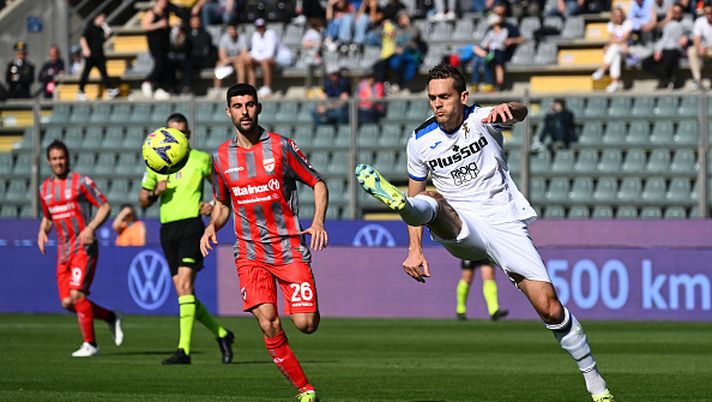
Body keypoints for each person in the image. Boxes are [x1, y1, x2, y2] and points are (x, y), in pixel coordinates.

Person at [354, 64, 614, 402]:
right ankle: (400, 204)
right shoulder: (419, 141)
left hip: (505, 222)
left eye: (444, 97)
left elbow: (518, 113)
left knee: (549, 307)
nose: (437, 104)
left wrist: (512, 108)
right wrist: (414, 249)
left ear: (462, 97)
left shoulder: (483, 118)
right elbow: (419, 189)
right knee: (428, 200)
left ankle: (595, 382)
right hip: (460, 223)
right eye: (432, 98)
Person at [200, 83, 328, 402]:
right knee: (269, 322)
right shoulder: (220, 158)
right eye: (238, 106)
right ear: (228, 111)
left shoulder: (281, 147)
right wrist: (211, 226)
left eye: (250, 105)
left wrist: (318, 221)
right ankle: (304, 388)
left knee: (306, 323)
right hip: (249, 253)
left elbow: (318, 182)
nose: (244, 111)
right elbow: (223, 203)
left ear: (259, 108)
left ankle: (302, 312)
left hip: (289, 250)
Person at [139, 113, 234, 365]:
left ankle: (184, 351)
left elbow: (222, 190)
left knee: (184, 287)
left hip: (192, 226)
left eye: (182, 133)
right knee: (184, 291)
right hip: (167, 228)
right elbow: (143, 198)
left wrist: (212, 205)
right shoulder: (155, 162)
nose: (177, 137)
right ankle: (223, 334)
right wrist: (153, 194)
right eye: (172, 133)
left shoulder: (201, 158)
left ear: (188, 135)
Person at [37, 140, 123, 357]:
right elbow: (48, 217)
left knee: (77, 295)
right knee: (67, 302)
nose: (59, 162)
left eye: (62, 158)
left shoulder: (80, 182)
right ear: (49, 161)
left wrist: (91, 227)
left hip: (83, 247)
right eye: (54, 159)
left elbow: (105, 206)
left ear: (68, 159)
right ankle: (110, 317)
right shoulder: (44, 189)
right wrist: (42, 232)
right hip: (63, 251)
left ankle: (91, 344)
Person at [641, 3, 691, 89]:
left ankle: (666, 81)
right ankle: (666, 79)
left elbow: (695, 34)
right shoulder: (668, 23)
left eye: (678, 12)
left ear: (682, 12)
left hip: (676, 49)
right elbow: (664, 39)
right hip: (664, 49)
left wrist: (687, 38)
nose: (676, 13)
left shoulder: (687, 22)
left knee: (666, 63)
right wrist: (658, 51)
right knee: (645, 63)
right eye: (674, 11)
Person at [78, 13, 119, 100]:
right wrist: (85, 49)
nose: (103, 20)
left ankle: (110, 89)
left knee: (104, 74)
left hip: (99, 56)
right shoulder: (90, 27)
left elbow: (102, 40)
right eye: (101, 18)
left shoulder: (101, 29)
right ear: (96, 18)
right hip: (91, 57)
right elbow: (82, 38)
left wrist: (107, 33)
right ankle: (80, 91)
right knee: (86, 74)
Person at [592, 7, 632, 93]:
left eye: (620, 15)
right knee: (615, 53)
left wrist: (611, 44)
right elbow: (612, 38)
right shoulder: (610, 25)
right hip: (618, 49)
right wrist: (612, 44)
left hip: (627, 50)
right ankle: (615, 83)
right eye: (616, 16)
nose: (618, 17)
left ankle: (602, 69)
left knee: (614, 48)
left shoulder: (628, 23)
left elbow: (625, 38)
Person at [141, 0, 172, 100]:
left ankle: (160, 87)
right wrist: (159, 24)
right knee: (160, 63)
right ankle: (148, 81)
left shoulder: (165, 13)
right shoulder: (151, 13)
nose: (164, 3)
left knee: (165, 64)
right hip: (155, 43)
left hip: (164, 43)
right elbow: (145, 26)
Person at [471, 14, 509, 92]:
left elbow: (501, 42)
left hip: (499, 52)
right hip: (490, 52)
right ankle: (477, 83)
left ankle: (498, 83)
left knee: (498, 63)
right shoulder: (490, 33)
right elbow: (484, 43)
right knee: (479, 60)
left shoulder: (504, 31)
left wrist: (492, 43)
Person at [247, 18, 279, 97]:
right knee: (250, 61)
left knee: (265, 62)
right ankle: (252, 87)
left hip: (277, 59)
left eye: (262, 26)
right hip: (262, 59)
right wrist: (254, 58)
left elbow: (270, 53)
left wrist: (257, 58)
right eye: (258, 27)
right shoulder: (255, 35)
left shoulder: (271, 34)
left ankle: (267, 87)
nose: (260, 28)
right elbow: (254, 51)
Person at [214, 22, 248, 90]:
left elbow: (244, 54)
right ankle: (217, 89)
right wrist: (228, 60)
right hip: (227, 61)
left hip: (238, 61)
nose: (232, 31)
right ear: (228, 30)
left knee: (241, 65)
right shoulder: (224, 38)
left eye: (234, 29)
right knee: (219, 65)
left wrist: (233, 60)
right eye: (230, 29)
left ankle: (240, 88)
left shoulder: (242, 38)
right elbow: (221, 54)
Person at [687, 3, 712, 90]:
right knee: (691, 50)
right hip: (704, 50)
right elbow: (696, 38)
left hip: (710, 49)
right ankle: (698, 80)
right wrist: (699, 48)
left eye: (711, 13)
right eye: (706, 13)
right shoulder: (700, 21)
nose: (709, 15)